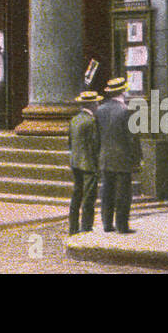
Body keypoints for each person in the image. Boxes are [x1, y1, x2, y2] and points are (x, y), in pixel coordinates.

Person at [97, 77, 140, 234]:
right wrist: (136, 159)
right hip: (122, 157)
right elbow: (132, 138)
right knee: (123, 194)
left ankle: (107, 224)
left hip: (105, 157)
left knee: (107, 191)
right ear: (123, 92)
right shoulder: (126, 111)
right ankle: (122, 226)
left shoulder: (100, 110)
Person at [67, 90, 102, 235]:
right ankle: (86, 226)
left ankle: (73, 226)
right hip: (89, 164)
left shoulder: (74, 119)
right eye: (97, 103)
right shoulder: (92, 121)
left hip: (76, 162)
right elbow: (95, 144)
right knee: (89, 197)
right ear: (92, 104)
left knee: (76, 195)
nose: (98, 105)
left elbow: (70, 142)